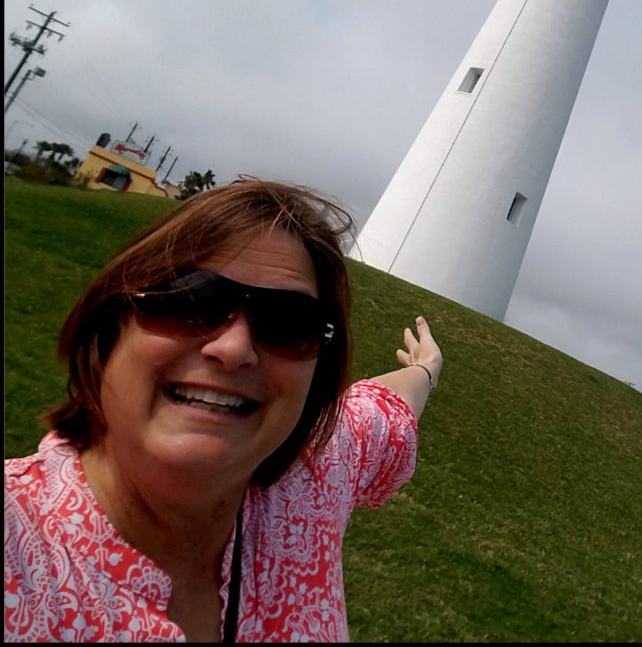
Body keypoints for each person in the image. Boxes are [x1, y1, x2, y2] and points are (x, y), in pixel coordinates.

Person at [4, 178, 443, 642]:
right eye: (190, 298)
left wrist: (427, 369)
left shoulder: (317, 474)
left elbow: (385, 408)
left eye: (288, 323)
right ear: (110, 328)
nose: (233, 348)